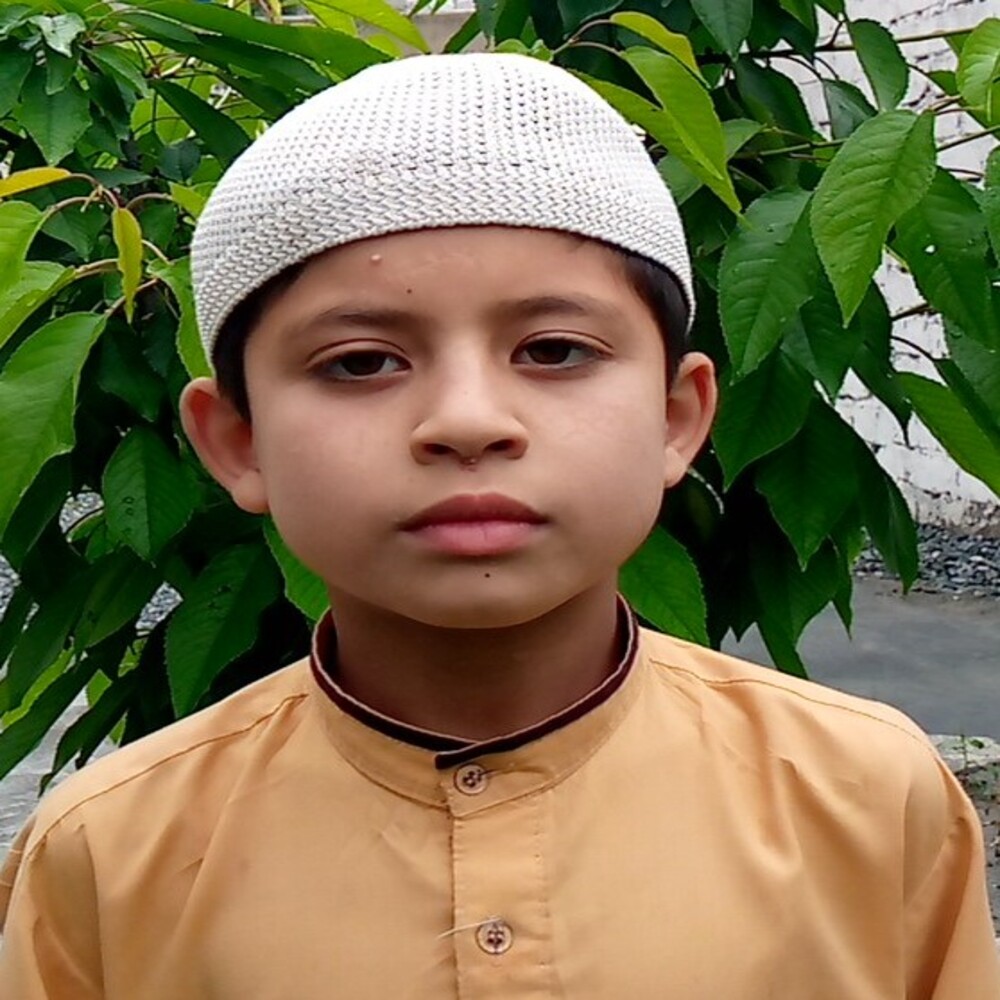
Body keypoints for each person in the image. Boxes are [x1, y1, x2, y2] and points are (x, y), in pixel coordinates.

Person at [0, 52, 997, 999]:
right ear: (238, 440)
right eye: (361, 362)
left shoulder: (867, 797)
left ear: (676, 417)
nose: (468, 421)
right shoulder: (107, 854)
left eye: (554, 350)